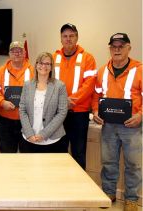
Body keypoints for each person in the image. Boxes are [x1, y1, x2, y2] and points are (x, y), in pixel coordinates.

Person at [92, 33, 142, 211]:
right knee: (108, 162)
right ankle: (108, 193)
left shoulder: (140, 69)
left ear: (129, 47)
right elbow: (96, 95)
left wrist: (140, 115)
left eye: (121, 46)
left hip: (132, 126)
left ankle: (131, 199)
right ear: (110, 49)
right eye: (114, 46)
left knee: (133, 165)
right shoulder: (102, 70)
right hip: (108, 126)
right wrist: (96, 110)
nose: (117, 49)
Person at [53, 23, 97, 169]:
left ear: (77, 37)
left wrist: (69, 101)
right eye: (65, 36)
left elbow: (89, 85)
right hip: (58, 114)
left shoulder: (88, 58)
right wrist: (62, 102)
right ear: (61, 39)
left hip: (79, 114)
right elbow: (48, 82)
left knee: (78, 153)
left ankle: (80, 189)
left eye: (71, 36)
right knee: (59, 153)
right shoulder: (54, 58)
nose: (68, 39)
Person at [0, 41, 34, 153]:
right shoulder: (1, 71)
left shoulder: (33, 71)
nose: (17, 53)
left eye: (19, 51)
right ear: (9, 54)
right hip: (5, 122)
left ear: (24, 53)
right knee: (6, 156)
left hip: (27, 121)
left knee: (27, 155)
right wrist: (2, 102)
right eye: (14, 51)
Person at [19, 52, 68, 153]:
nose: (43, 66)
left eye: (47, 64)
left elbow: (62, 112)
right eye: (40, 63)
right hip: (29, 139)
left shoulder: (60, 86)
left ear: (51, 67)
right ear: (36, 65)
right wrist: (29, 133)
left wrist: (44, 134)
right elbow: (22, 110)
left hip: (53, 140)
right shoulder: (27, 85)